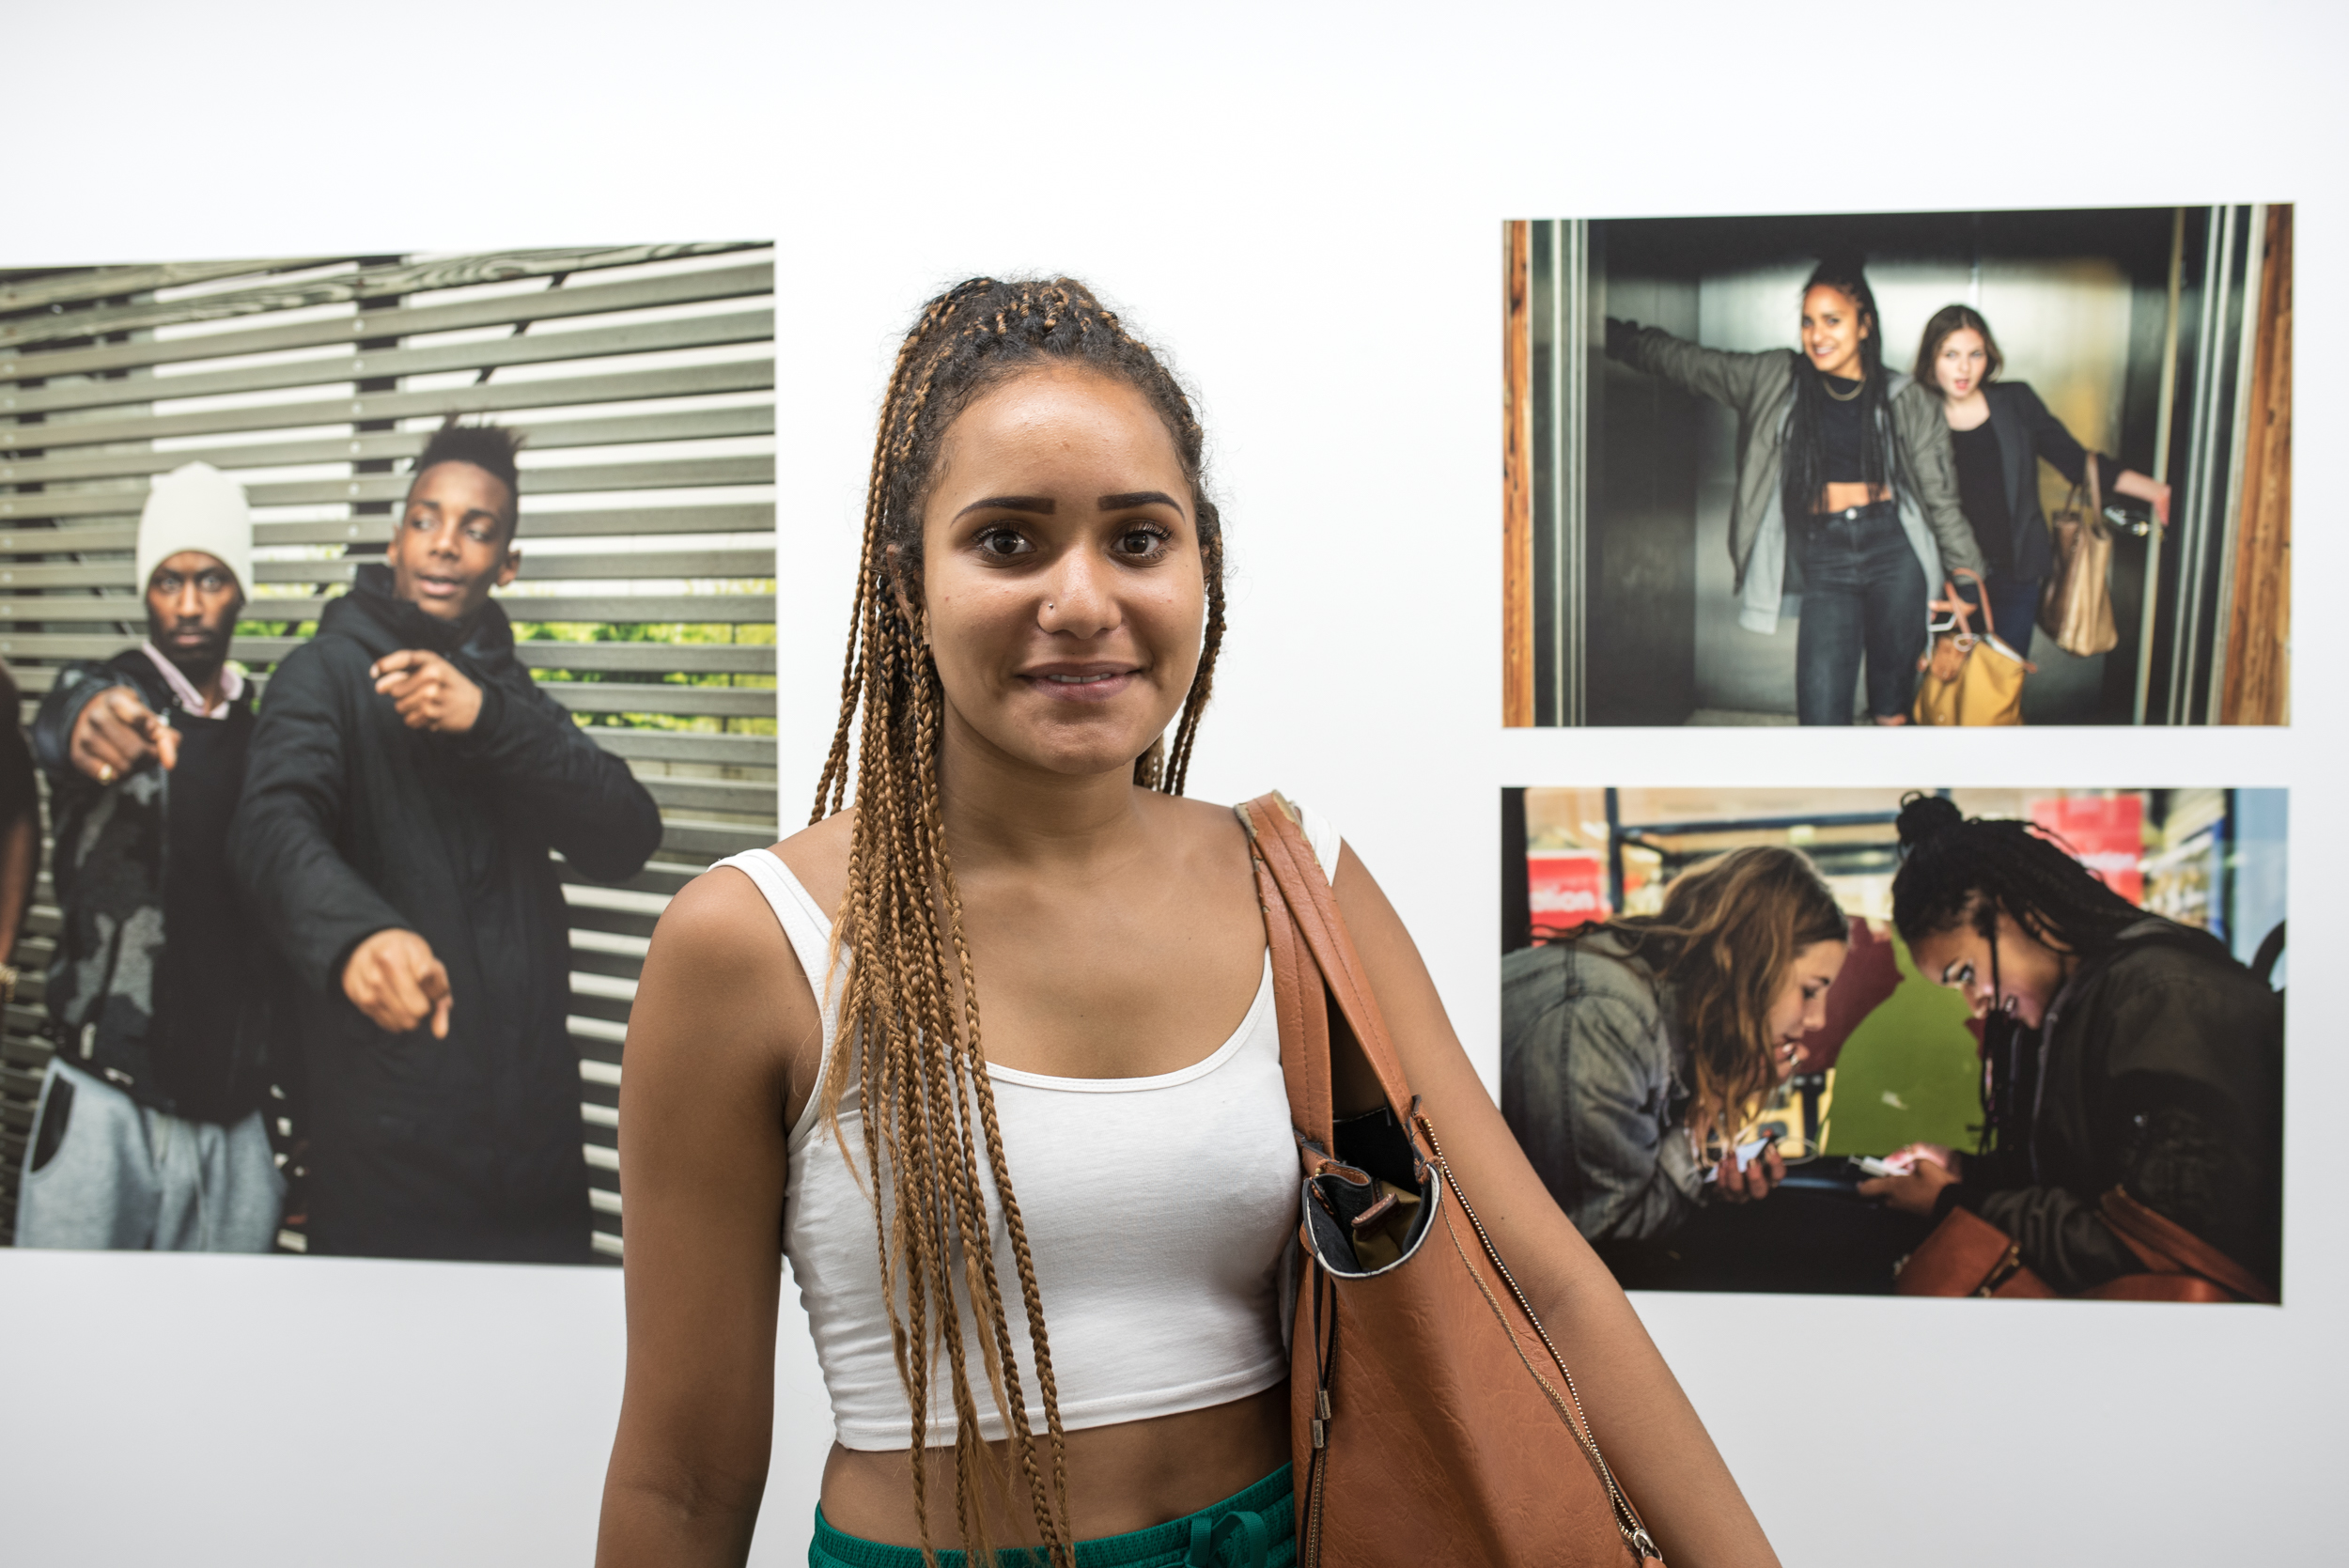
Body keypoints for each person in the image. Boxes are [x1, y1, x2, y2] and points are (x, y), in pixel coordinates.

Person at [597, 278, 1781, 1568]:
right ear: (904, 579)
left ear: (1199, 561)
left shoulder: (1295, 883)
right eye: (1007, 541)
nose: (1082, 598)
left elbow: (1548, 1285)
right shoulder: (752, 944)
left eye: (1138, 538)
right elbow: (684, 1481)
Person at [229, 423, 661, 1264]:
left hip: (536, 1143)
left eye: (476, 528)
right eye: (426, 520)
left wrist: (487, 718)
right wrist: (356, 934)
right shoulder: (322, 673)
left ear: (507, 563)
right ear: (395, 541)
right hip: (390, 1143)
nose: (445, 546)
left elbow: (626, 834)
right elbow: (268, 827)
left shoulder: (507, 692)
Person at [1859, 795, 2282, 1296]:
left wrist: (1957, 1202)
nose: (1975, 1004)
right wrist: (1967, 1173)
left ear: (2019, 912)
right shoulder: (2085, 1008)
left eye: (1967, 974)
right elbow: (2082, 1182)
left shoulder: (2164, 1002)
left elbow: (2158, 1243)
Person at [15, 463, 283, 1252]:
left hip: (234, 1116)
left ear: (240, 588)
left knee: (220, 1362)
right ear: (146, 589)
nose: (190, 602)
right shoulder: (109, 689)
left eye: (210, 577)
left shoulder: (270, 732)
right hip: (105, 1099)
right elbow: (62, 719)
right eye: (168, 580)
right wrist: (86, 720)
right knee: (66, 1349)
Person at [1606, 256, 1984, 724]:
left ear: (1864, 325)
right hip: (1825, 555)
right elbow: (1691, 363)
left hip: (1895, 553)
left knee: (1893, 707)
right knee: (1821, 715)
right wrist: (1613, 336)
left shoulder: (1906, 398)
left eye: (1832, 320)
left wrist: (1966, 583)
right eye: (1808, 322)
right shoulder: (1775, 378)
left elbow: (1941, 500)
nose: (1817, 335)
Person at [1500, 847, 1845, 1246]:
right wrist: (1715, 1099)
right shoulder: (1605, 1018)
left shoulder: (1653, 1004)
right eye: (1809, 991)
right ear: (1750, 963)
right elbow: (1605, 1235)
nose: (1817, 1019)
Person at [1913, 304, 2173, 652]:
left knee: (2001, 690)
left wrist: (2154, 491)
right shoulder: (1916, 415)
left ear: (1988, 356)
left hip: (2015, 573)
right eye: (1951, 354)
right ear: (1932, 359)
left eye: (1975, 354)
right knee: (1947, 691)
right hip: (1950, 579)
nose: (1964, 367)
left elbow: (2073, 459)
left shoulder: (2015, 402)